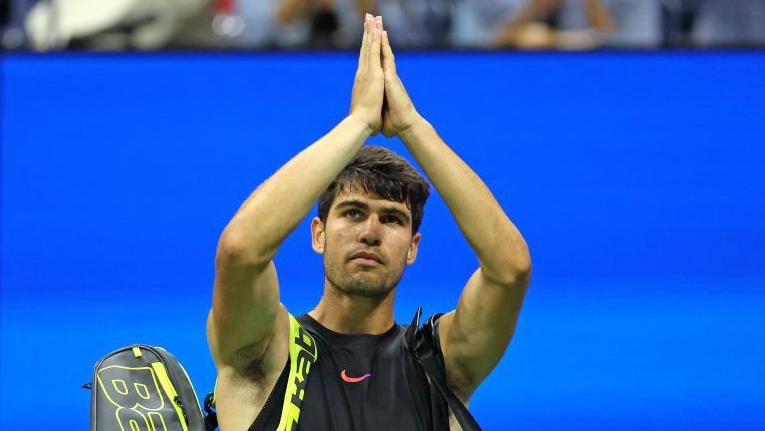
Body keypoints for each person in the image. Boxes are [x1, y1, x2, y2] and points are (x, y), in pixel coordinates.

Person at [206, 13, 531, 430]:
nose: (371, 232)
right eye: (353, 212)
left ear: (413, 246)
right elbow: (241, 250)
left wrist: (412, 125)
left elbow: (510, 268)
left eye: (393, 220)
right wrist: (358, 123)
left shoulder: (441, 363)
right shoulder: (265, 352)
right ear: (318, 234)